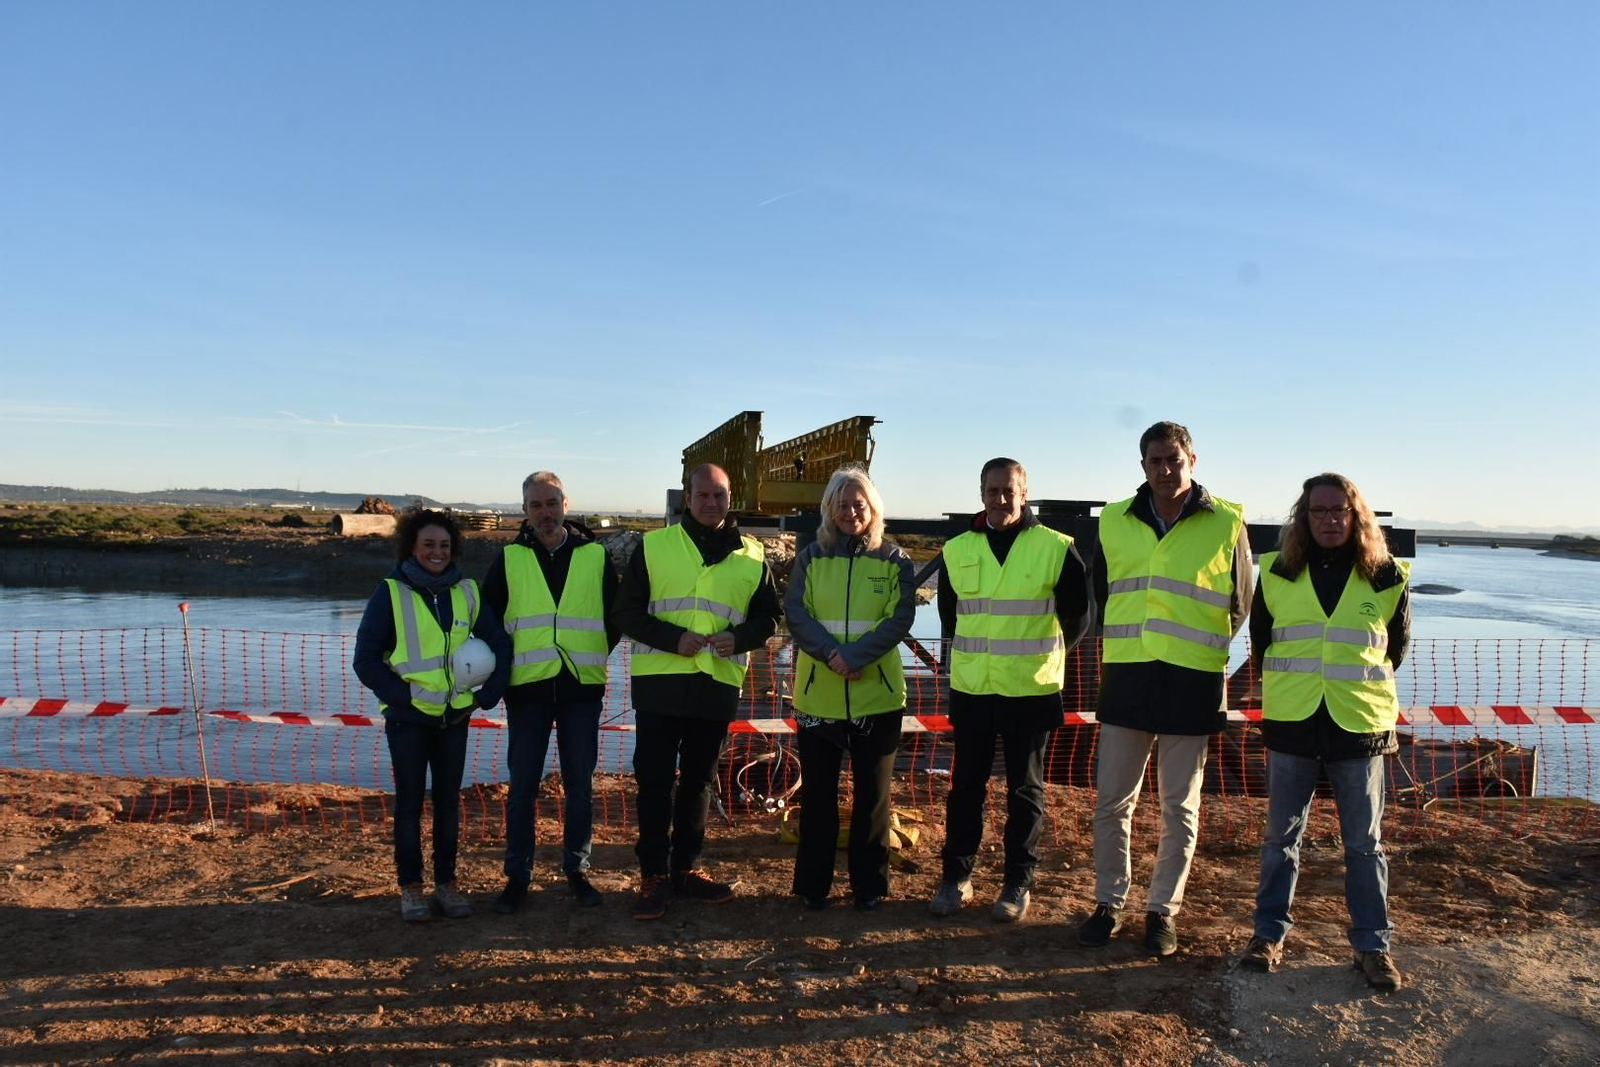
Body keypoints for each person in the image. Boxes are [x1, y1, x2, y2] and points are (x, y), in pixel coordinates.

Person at [1078, 421, 1252, 955]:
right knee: (1112, 802)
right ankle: (1109, 904)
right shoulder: (1114, 519)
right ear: (1143, 465)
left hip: (1192, 681)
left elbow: (1241, 601)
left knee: (1180, 808)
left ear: (1192, 460)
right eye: (1155, 460)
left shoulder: (1226, 521)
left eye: (1173, 459)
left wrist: (1202, 647)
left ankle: (1162, 912)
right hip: (1129, 677)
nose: (1164, 469)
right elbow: (1102, 590)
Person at [1241, 473, 1411, 992]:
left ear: (1356, 517)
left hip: (1358, 727)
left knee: (1364, 845)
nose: (1330, 519)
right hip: (1292, 724)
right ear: (1304, 517)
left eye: (1340, 511)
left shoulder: (1386, 577)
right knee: (1280, 840)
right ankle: (1267, 936)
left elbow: (1395, 650)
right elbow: (1262, 643)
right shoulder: (1276, 572)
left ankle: (1372, 946)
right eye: (1319, 511)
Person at [929, 457, 1092, 922]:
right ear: (980, 493)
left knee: (1025, 792)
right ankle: (956, 878)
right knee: (965, 789)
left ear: (1025, 493)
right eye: (991, 491)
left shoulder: (1057, 548)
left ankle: (1017, 883)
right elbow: (949, 617)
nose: (1000, 499)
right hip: (974, 689)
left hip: (1030, 689)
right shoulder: (958, 549)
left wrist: (1042, 655)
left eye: (1009, 491)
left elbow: (1078, 619)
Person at [616, 463, 781, 920]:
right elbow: (625, 614)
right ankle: (652, 875)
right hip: (660, 685)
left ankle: (687, 870)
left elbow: (769, 618)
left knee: (699, 782)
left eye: (720, 495)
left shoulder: (752, 554)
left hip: (716, 684)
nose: (711, 503)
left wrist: (740, 638)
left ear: (731, 499)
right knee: (653, 781)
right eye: (703, 495)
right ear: (686, 498)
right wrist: (673, 639)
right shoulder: (654, 547)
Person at [353, 507, 511, 922]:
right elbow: (365, 660)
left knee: (447, 805)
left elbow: (501, 643)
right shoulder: (390, 593)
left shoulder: (469, 592)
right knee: (409, 805)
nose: (437, 552)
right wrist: (402, 695)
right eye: (428, 545)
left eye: (444, 545)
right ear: (412, 547)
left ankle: (447, 885)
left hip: (454, 719)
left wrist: (486, 696)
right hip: (407, 721)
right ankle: (411, 889)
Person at [481, 472, 620, 913]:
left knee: (579, 785)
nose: (545, 512)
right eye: (536, 505)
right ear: (525, 511)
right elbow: (489, 622)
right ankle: (516, 876)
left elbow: (615, 618)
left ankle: (577, 870)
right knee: (523, 787)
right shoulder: (508, 559)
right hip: (528, 690)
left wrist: (591, 652)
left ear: (566, 504)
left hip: (581, 687)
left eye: (552, 503)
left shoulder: (596, 556)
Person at [785, 466, 917, 912]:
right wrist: (831, 655)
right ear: (829, 510)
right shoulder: (810, 557)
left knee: (873, 799)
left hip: (875, 697)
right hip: (818, 695)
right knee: (818, 797)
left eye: (858, 504)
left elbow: (898, 619)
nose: (849, 512)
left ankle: (870, 888)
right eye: (841, 504)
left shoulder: (895, 560)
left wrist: (855, 656)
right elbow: (797, 614)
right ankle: (811, 887)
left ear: (872, 508)